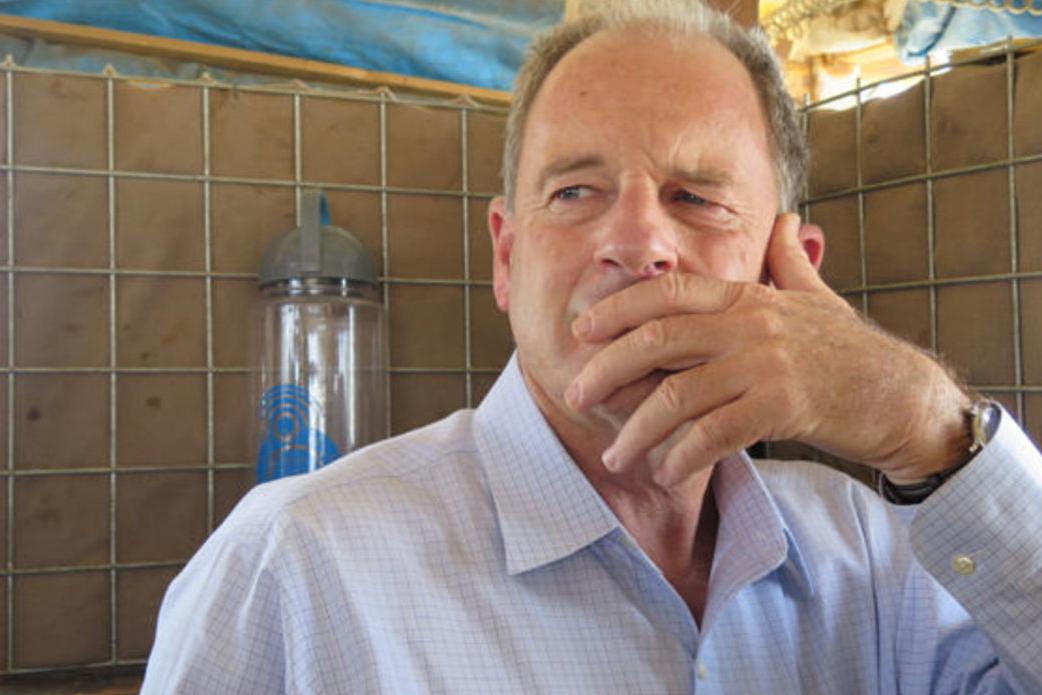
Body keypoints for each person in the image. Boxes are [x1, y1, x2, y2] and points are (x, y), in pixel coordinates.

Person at [141, 1, 1042, 693]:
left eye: (696, 197)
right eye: (575, 191)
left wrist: (925, 420)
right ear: (506, 257)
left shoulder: (875, 560)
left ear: (788, 272)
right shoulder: (297, 568)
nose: (637, 242)